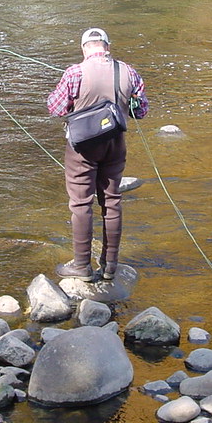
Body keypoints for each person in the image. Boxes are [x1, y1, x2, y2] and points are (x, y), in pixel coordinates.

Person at [46, 28, 148, 281]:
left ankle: (82, 266)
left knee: (81, 204)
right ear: (107, 47)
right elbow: (141, 111)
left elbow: (55, 108)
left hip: (82, 147)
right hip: (115, 143)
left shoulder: (74, 72)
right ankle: (110, 266)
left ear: (84, 48)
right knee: (112, 201)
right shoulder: (129, 71)